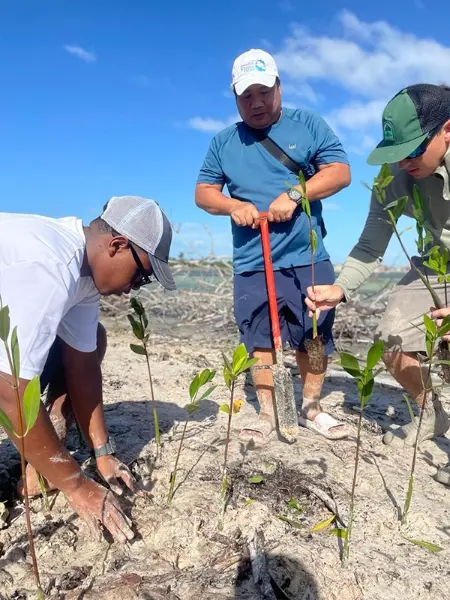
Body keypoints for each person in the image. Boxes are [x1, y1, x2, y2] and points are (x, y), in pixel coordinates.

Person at [195, 48, 351, 443]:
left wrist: (297, 194)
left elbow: (340, 173)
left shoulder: (309, 125)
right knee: (259, 338)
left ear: (279, 87)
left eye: (264, 91)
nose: (256, 102)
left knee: (314, 334)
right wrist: (233, 205)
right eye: (246, 95)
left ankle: (312, 406)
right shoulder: (224, 142)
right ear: (236, 97)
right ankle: (266, 411)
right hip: (252, 260)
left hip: (308, 256)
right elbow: (203, 193)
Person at [0, 195, 176, 542]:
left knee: (93, 336)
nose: (133, 291)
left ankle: (42, 448)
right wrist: (78, 487)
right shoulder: (48, 268)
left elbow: (81, 362)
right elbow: (10, 394)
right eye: (141, 277)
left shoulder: (84, 272)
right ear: (117, 245)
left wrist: (103, 452)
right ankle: (39, 453)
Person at [305, 83, 450, 467]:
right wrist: (340, 286)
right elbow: (371, 245)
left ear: (447, 130)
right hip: (438, 265)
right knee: (391, 341)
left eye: (413, 151)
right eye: (396, 153)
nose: (404, 163)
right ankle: (432, 415)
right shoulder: (396, 172)